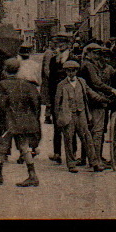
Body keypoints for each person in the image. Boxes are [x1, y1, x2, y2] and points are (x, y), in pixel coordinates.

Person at [0, 57, 42, 186]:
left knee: (1, 147)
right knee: (24, 147)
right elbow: (35, 103)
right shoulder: (26, 84)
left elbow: (0, 105)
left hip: (8, 121)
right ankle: (32, 175)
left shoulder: (2, 85)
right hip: (22, 122)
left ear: (5, 70)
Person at [54, 59, 106, 173]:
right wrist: (59, 119)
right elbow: (57, 103)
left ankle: (94, 163)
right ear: (65, 72)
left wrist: (102, 99)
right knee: (68, 139)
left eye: (73, 71)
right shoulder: (61, 85)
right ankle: (71, 164)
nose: (71, 73)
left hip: (81, 113)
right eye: (68, 71)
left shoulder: (82, 82)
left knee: (87, 138)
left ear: (77, 71)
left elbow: (90, 93)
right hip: (68, 115)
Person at [79, 43, 116, 170]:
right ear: (89, 53)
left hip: (89, 100)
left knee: (92, 130)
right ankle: (96, 160)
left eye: (98, 53)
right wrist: (112, 91)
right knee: (97, 131)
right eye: (95, 53)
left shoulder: (88, 64)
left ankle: (95, 158)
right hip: (95, 101)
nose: (97, 56)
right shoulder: (89, 65)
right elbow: (96, 83)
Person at [42, 34, 71, 163]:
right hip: (56, 96)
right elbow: (50, 77)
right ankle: (57, 153)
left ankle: (72, 153)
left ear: (67, 46)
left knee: (72, 126)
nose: (60, 46)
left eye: (62, 44)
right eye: (58, 44)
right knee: (57, 126)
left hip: (70, 96)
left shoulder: (73, 59)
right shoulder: (54, 59)